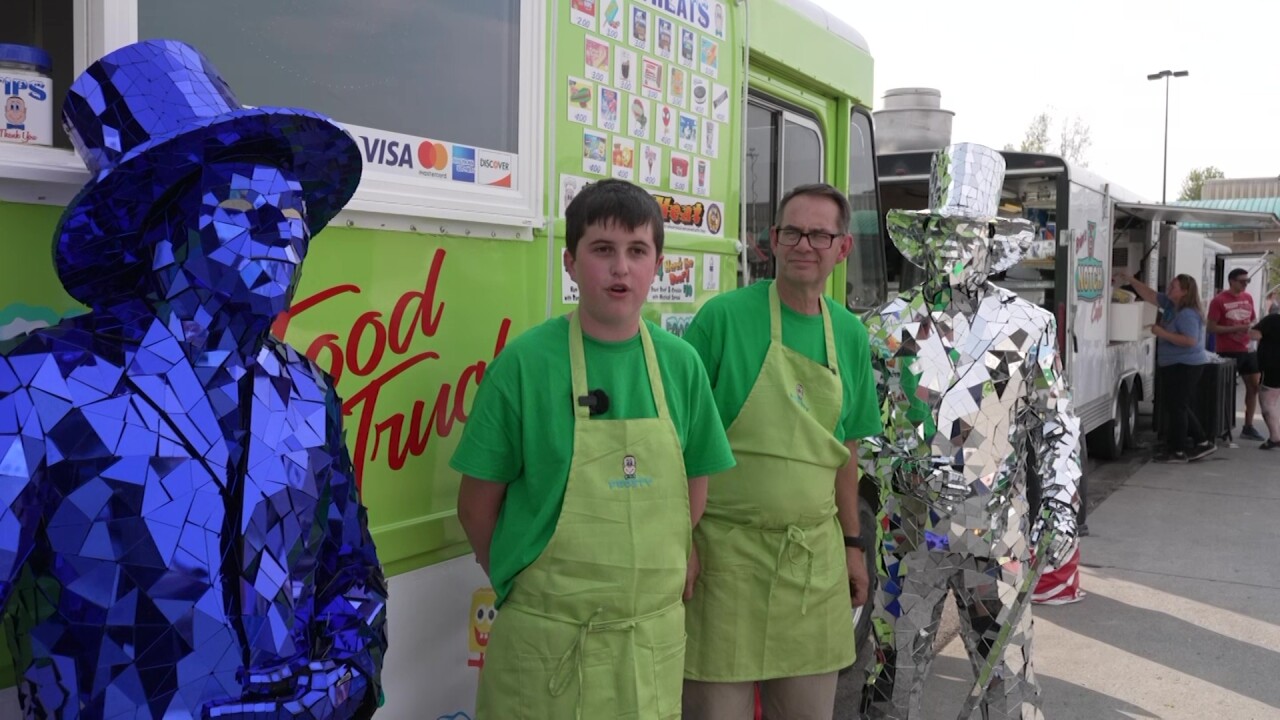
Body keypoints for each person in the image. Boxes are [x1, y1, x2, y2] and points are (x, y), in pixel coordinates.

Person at [0, 40, 387, 718]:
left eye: (294, 212)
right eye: (241, 209)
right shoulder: (39, 388)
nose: (281, 232)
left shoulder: (305, 393)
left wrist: (342, 682)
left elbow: (351, 576)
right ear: (158, 236)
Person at [450, 178, 735, 719]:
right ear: (570, 262)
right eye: (602, 250)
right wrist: (536, 590)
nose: (620, 268)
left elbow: (691, 498)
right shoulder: (525, 364)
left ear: (658, 264)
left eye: (637, 251)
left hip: (646, 648)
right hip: (544, 647)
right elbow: (475, 507)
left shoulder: (682, 366)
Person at [861, 143, 1081, 720]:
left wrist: (1060, 504)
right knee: (891, 680)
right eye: (943, 233)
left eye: (968, 233)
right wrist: (897, 467)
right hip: (909, 539)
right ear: (925, 240)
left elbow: (1056, 425)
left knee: (1007, 683)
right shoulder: (887, 328)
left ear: (989, 242)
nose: (954, 246)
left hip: (998, 540)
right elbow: (856, 434)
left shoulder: (1029, 327)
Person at [680, 183, 883, 720]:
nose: (804, 244)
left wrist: (853, 545)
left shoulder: (851, 336)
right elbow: (675, 447)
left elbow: (844, 453)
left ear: (843, 248)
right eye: (792, 231)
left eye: (820, 234)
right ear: (772, 241)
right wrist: (682, 542)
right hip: (724, 561)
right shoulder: (720, 320)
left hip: (811, 567)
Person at [1117, 270, 1216, 462]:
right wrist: (1130, 280)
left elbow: (1190, 340)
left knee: (1178, 406)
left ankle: (1178, 450)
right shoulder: (1172, 305)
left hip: (1186, 365)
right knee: (1178, 405)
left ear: (1185, 291)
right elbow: (1151, 295)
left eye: (1173, 287)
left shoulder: (1188, 314)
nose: (1169, 289)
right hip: (1174, 364)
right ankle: (1201, 441)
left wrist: (1161, 332)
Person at [1209, 268, 1263, 440]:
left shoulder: (1248, 298)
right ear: (1231, 281)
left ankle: (1248, 426)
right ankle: (1223, 427)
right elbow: (1211, 327)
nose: (1245, 284)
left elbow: (1252, 319)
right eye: (1242, 281)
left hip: (1248, 349)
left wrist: (1253, 331)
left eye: (1247, 281)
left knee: (1254, 387)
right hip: (1228, 349)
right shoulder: (1219, 301)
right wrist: (1236, 329)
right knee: (1227, 389)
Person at [1251, 311, 1280, 449]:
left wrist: (1246, 329)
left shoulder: (1272, 319)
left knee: (1268, 402)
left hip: (1273, 366)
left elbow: (1254, 334)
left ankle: (1275, 437)